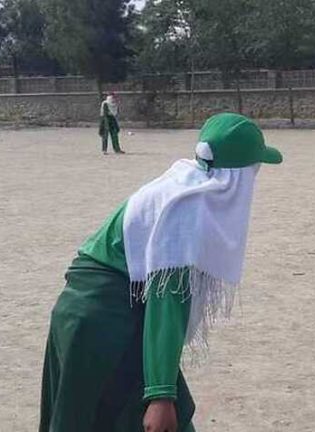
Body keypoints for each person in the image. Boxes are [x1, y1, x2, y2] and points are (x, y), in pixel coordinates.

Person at [39, 113, 283, 432]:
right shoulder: (186, 212)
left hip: (101, 313)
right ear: (236, 176)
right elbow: (167, 301)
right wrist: (160, 395)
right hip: (100, 325)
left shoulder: (184, 182)